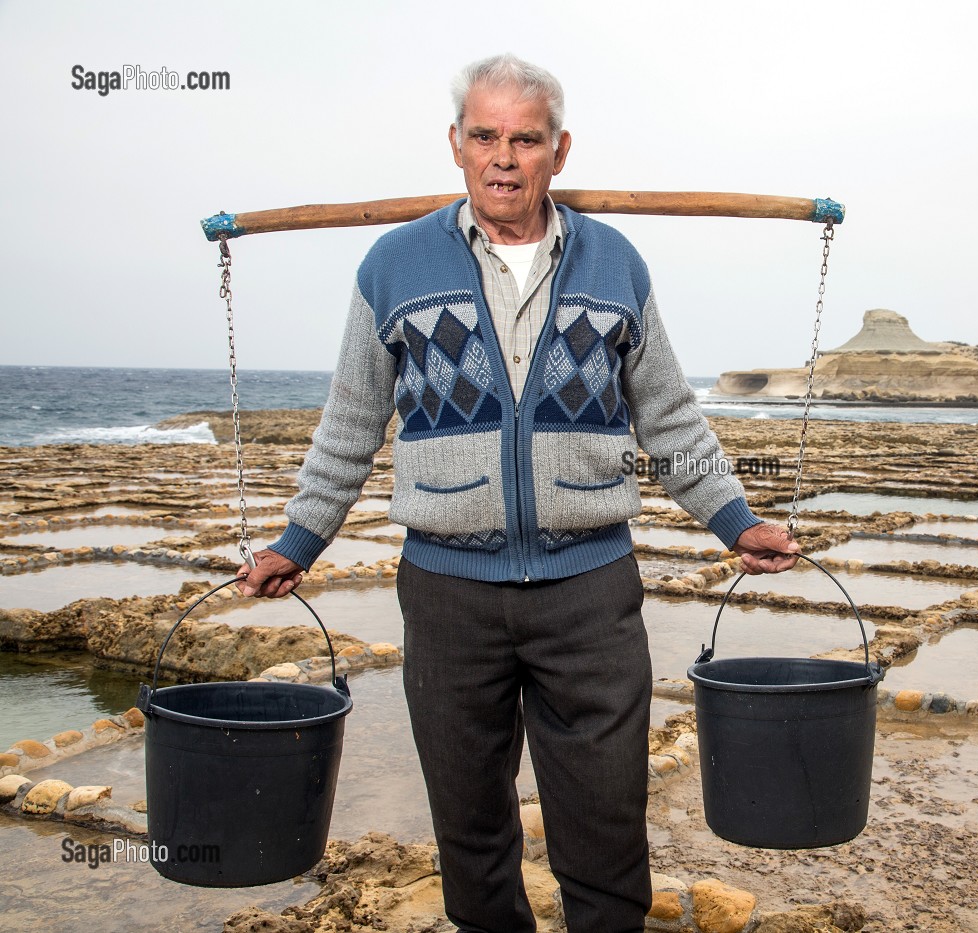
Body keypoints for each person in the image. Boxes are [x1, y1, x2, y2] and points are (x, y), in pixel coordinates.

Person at [236, 53, 800, 933]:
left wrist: (737, 520)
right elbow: (350, 423)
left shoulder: (616, 263)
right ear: (455, 146)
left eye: (525, 139)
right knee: (469, 825)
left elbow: (671, 422)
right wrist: (297, 542)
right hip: (448, 591)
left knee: (606, 819)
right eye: (486, 136)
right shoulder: (394, 265)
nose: (505, 157)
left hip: (591, 590)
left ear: (559, 151)